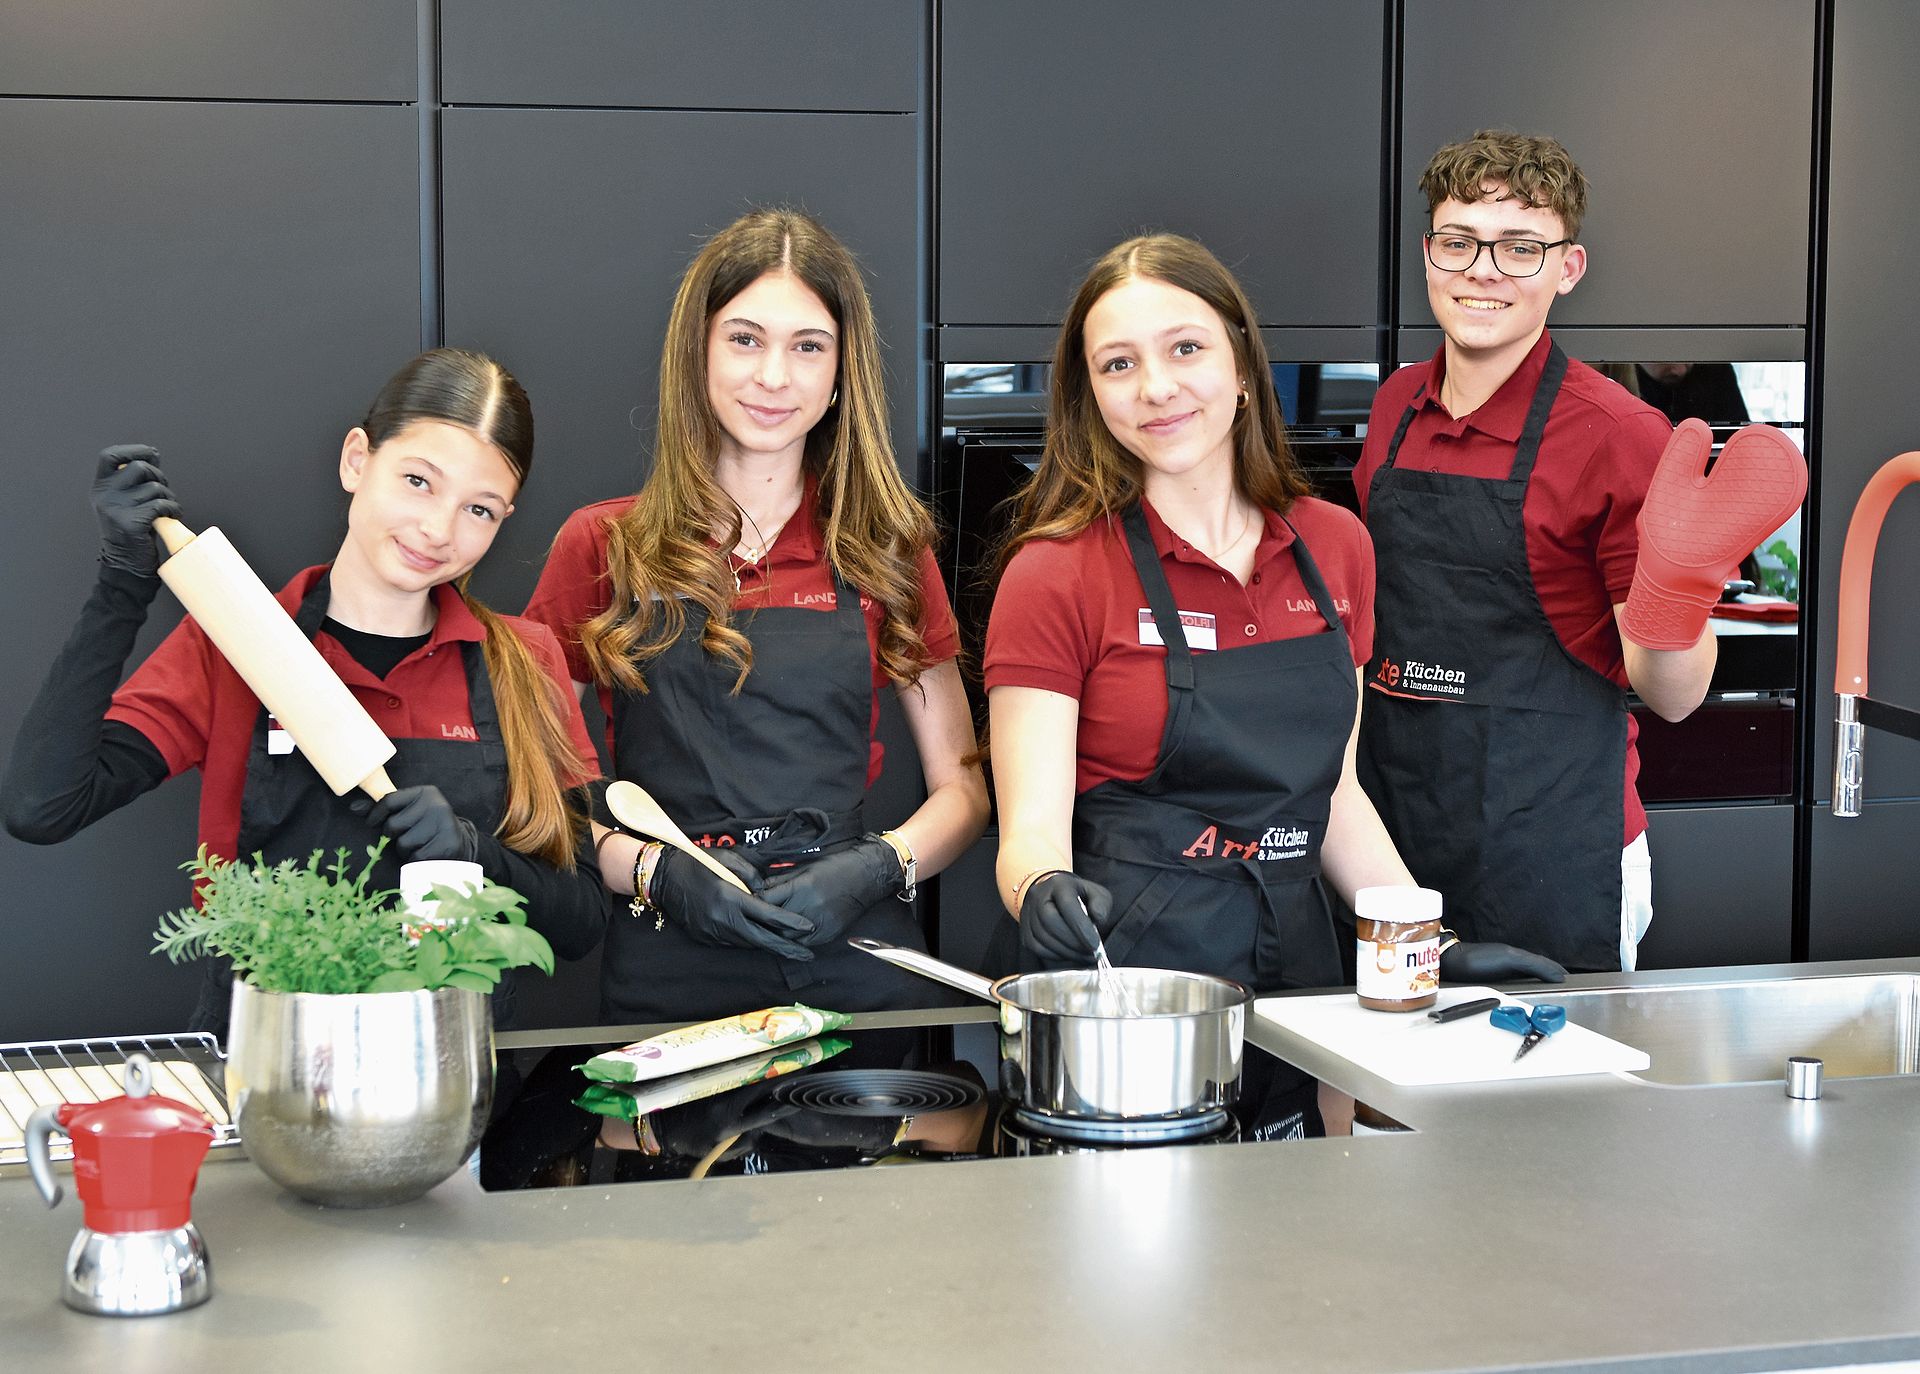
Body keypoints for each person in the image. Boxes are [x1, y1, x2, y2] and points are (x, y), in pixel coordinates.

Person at [983, 233, 1561, 990]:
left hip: (1295, 960)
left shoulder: (1335, 545)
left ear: (1244, 367)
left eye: (1185, 349)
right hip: (1119, 980)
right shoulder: (1054, 574)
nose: (1156, 386)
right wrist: (1040, 892)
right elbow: (1029, 838)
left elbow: (1337, 796)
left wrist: (1429, 943)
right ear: (1091, 397)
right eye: (1118, 364)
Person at [2, 348, 609, 1031]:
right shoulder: (235, 643)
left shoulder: (523, 664)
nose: (439, 529)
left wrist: (475, 854)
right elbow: (41, 806)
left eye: (480, 510)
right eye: (417, 481)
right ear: (357, 460)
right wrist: (122, 584)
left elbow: (581, 920)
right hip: (266, 1068)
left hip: (448, 1073)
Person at [525, 208, 989, 1025]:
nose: (774, 376)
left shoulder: (887, 548)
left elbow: (964, 788)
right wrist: (650, 872)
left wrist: (879, 867)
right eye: (745, 339)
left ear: (842, 371)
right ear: (696, 352)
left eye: (807, 346)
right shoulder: (604, 544)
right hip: (669, 961)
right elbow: (530, 787)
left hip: (856, 956)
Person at [1353, 130, 1799, 973]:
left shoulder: (1618, 434)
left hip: (1553, 850)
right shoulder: (1395, 407)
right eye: (1459, 242)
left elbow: (1674, 698)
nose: (1483, 271)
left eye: (1521, 248)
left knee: (1550, 1103)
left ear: (1568, 267)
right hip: (1391, 840)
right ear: (1429, 254)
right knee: (1387, 1104)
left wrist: (1678, 595)